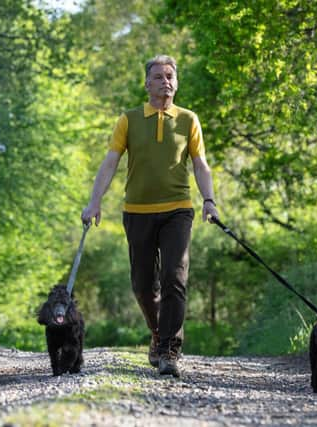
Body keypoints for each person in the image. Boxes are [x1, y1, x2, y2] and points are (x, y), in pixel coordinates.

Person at [81, 54, 218, 377]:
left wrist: (209, 200)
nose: (165, 81)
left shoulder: (188, 119)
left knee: (175, 277)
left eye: (170, 76)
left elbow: (200, 164)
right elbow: (111, 161)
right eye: (158, 76)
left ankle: (170, 348)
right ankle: (157, 334)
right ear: (146, 84)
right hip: (137, 212)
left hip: (178, 210)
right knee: (143, 285)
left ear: (176, 82)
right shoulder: (129, 119)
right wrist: (94, 201)